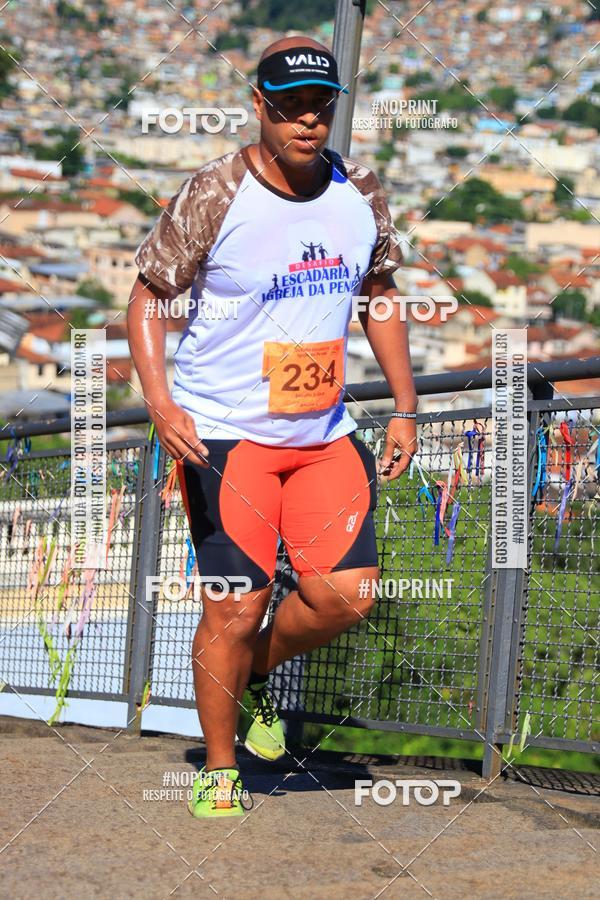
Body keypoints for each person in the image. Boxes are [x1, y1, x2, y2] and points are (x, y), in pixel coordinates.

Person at [127, 35, 417, 819]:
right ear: (259, 105)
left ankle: (249, 672)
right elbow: (149, 296)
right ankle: (220, 767)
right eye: (288, 106)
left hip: (323, 433)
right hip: (224, 436)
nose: (306, 121)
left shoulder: (360, 187)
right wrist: (161, 401)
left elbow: (380, 292)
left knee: (347, 596)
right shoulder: (215, 192)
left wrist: (406, 405)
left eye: (319, 106)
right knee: (235, 605)